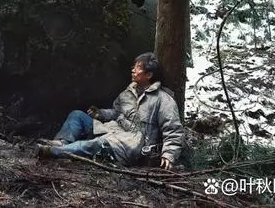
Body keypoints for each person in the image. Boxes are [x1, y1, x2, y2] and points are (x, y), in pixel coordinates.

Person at [36, 52, 184, 170]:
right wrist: (100, 114)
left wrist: (169, 155)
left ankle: (53, 153)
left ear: (149, 75)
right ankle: (63, 142)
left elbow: (173, 129)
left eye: (138, 67)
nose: (133, 70)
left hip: (132, 143)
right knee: (77, 115)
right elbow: (115, 112)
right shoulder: (128, 92)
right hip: (112, 129)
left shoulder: (163, 99)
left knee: (94, 144)